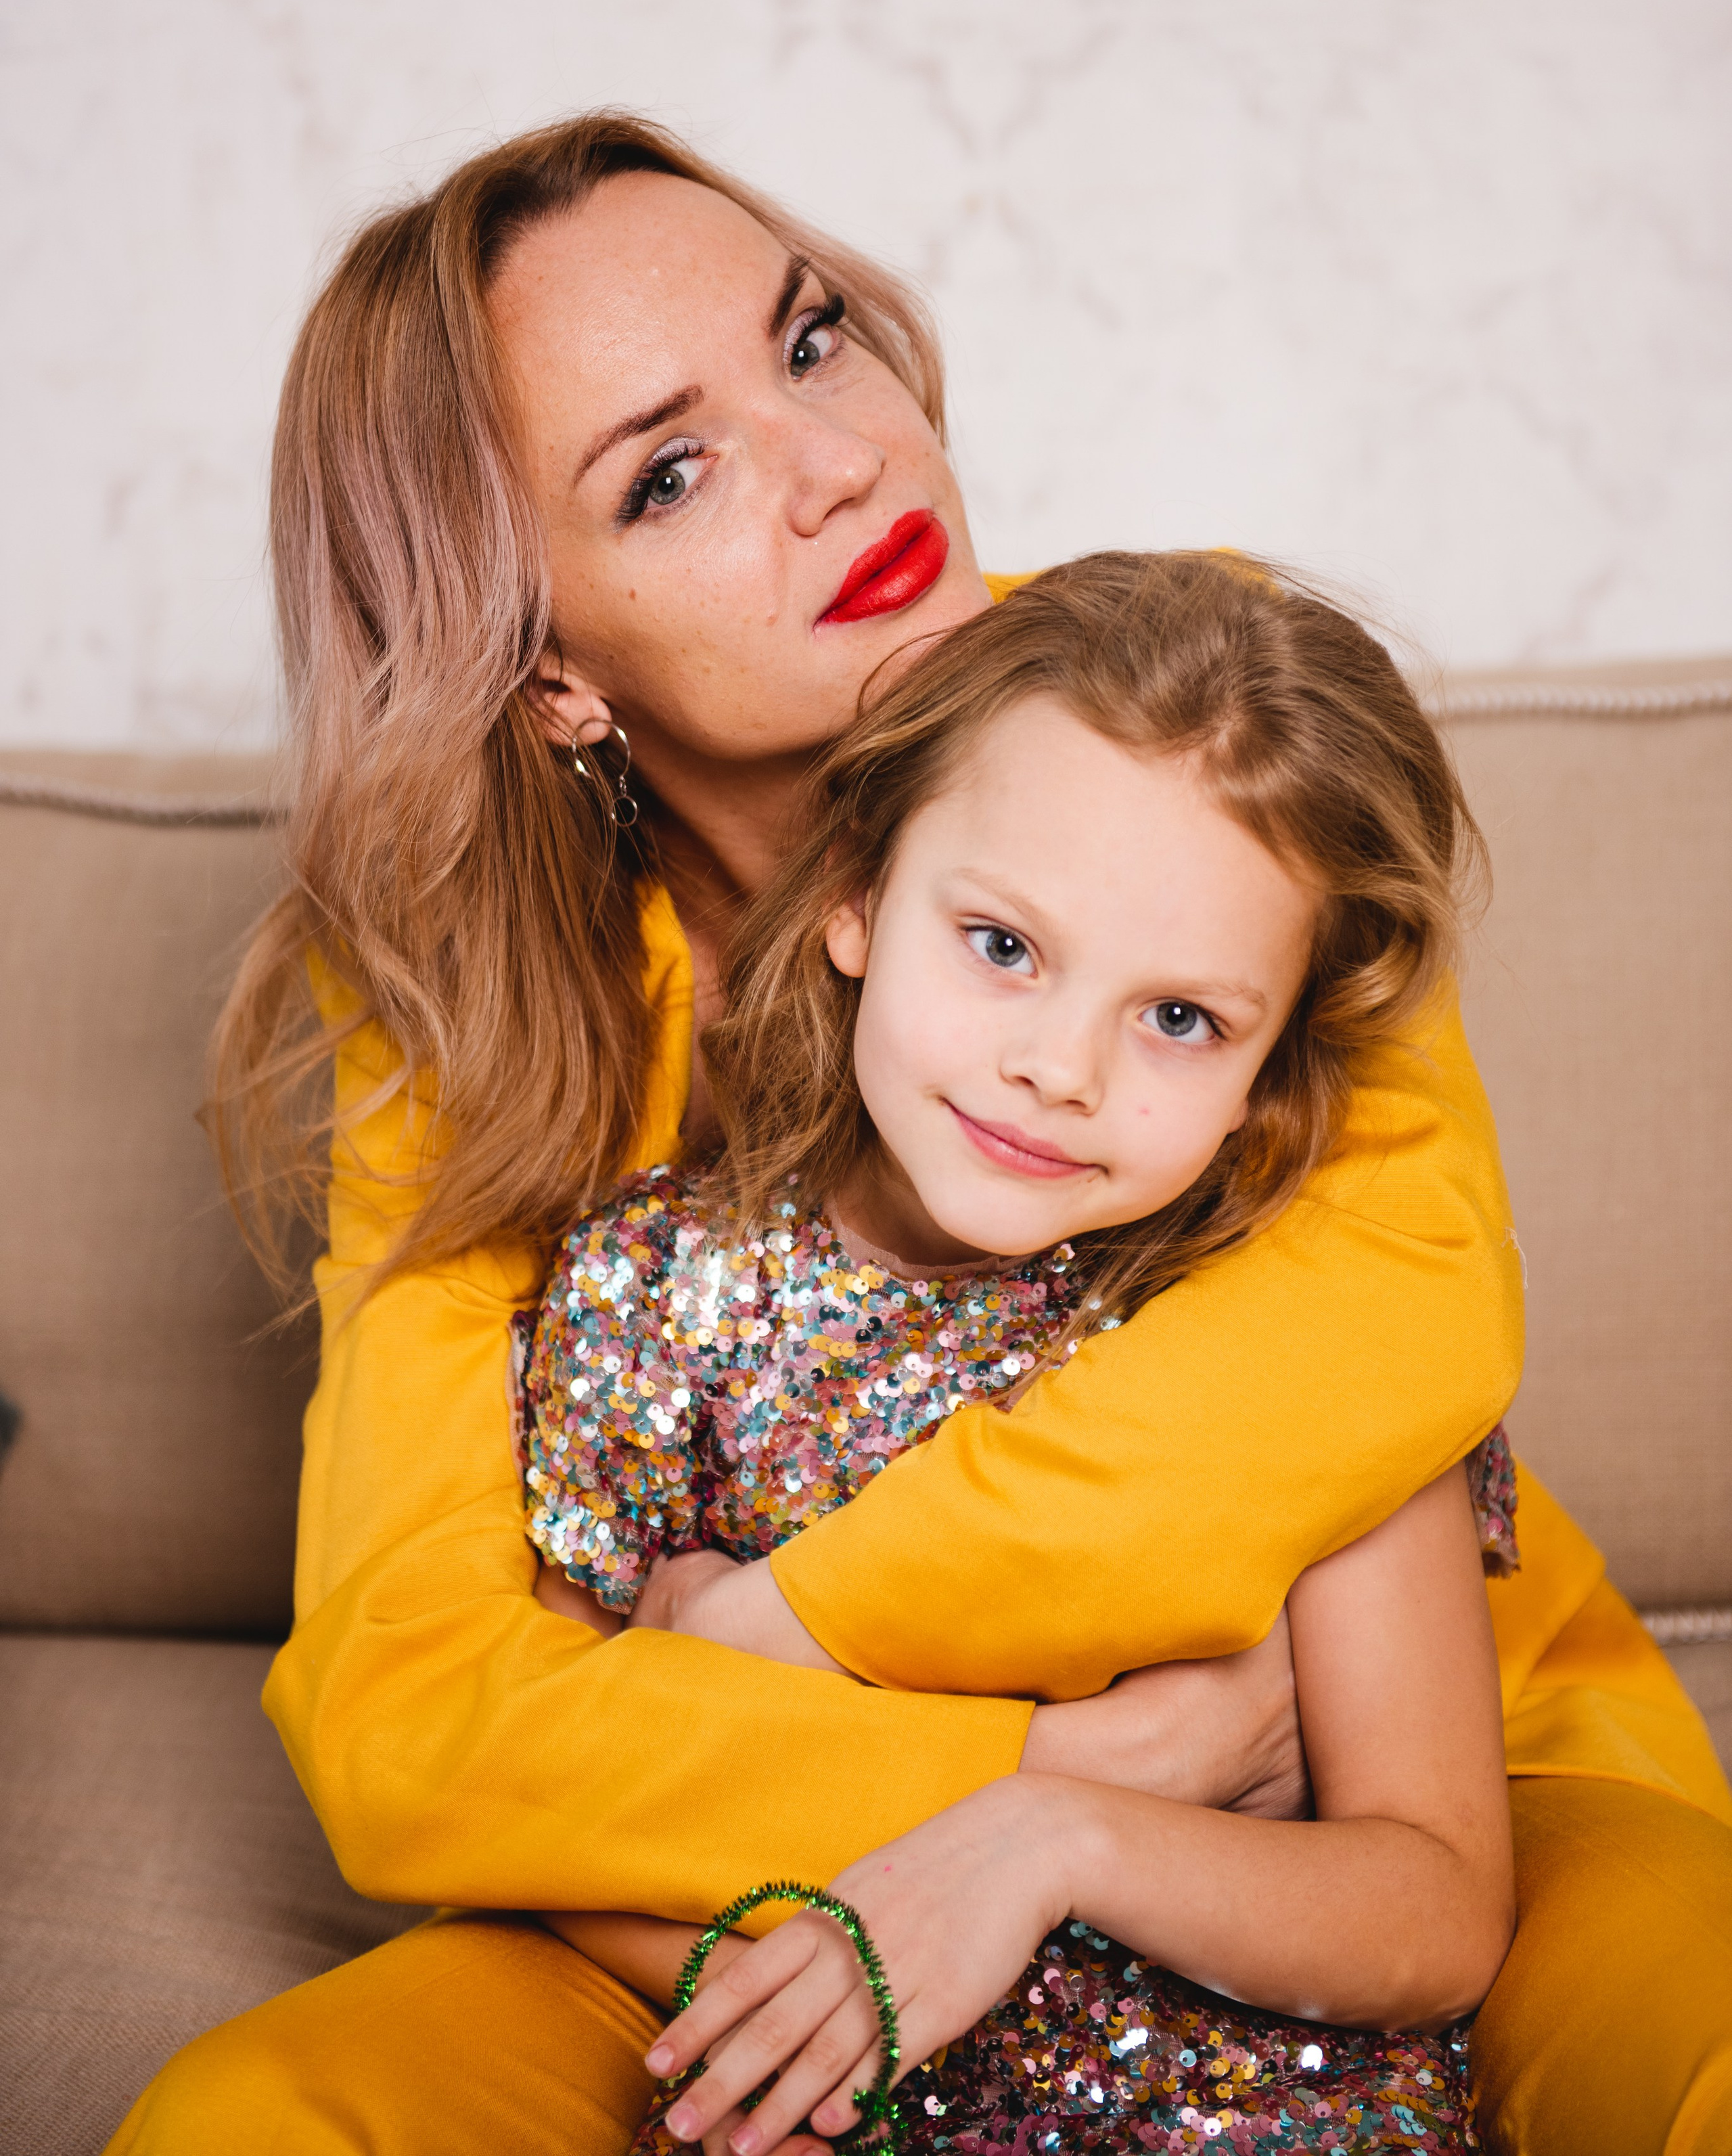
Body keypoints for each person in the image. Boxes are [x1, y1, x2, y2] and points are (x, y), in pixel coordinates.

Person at [108, 116, 1731, 2156]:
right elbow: (411, 1706)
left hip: (1395, 1772)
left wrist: (803, 1625)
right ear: (548, 674)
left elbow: (1398, 1305)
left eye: (809, 340)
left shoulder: (1193, 709)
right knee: (259, 2119)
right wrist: (1070, 1776)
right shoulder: (448, 990)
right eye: (670, 472)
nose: (839, 456)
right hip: (757, 1886)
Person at [522, 549, 1520, 2155]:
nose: (1058, 1067)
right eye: (1001, 946)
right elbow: (544, 1812)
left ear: (1269, 1067)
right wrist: (834, 1982)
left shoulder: (1290, 1337)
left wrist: (1057, 1838)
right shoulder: (649, 1294)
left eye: (1179, 1018)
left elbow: (1432, 1903)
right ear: (857, 893)